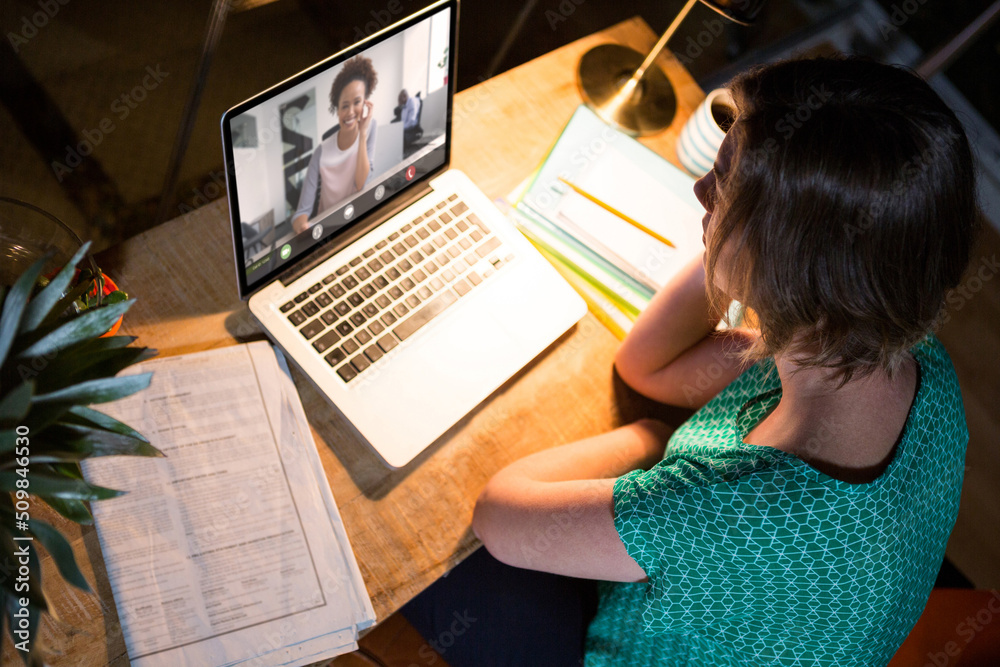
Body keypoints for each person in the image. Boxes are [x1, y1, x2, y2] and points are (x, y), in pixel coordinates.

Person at [404, 56, 979, 665]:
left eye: (725, 182)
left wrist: (651, 441)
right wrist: (742, 246)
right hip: (740, 597)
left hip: (625, 635)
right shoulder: (904, 356)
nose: (700, 190)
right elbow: (646, 367)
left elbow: (500, 513)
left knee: (428, 539)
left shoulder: (731, 510)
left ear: (788, 254)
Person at [291, 56, 379, 234]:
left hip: (359, 221)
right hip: (328, 231)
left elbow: (361, 183)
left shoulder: (371, 128)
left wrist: (362, 135)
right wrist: (302, 227)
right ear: (337, 109)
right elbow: (301, 212)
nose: (351, 112)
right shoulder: (321, 152)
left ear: (365, 102)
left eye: (357, 102)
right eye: (344, 106)